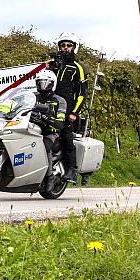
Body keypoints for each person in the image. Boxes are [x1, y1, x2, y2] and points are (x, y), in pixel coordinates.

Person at [47, 32, 89, 184]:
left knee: (66, 136)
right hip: (49, 105)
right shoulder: (52, 65)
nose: (65, 48)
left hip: (67, 108)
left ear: (74, 48)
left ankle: (72, 169)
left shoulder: (79, 68)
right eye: (63, 45)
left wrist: (74, 112)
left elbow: (82, 93)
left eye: (69, 45)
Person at [31, 69, 67, 191]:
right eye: (40, 83)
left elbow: (60, 123)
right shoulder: (33, 97)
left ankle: (49, 176)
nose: (43, 86)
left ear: (52, 84)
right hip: (33, 128)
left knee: (45, 146)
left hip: (51, 132)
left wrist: (50, 119)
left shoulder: (59, 101)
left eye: (46, 83)